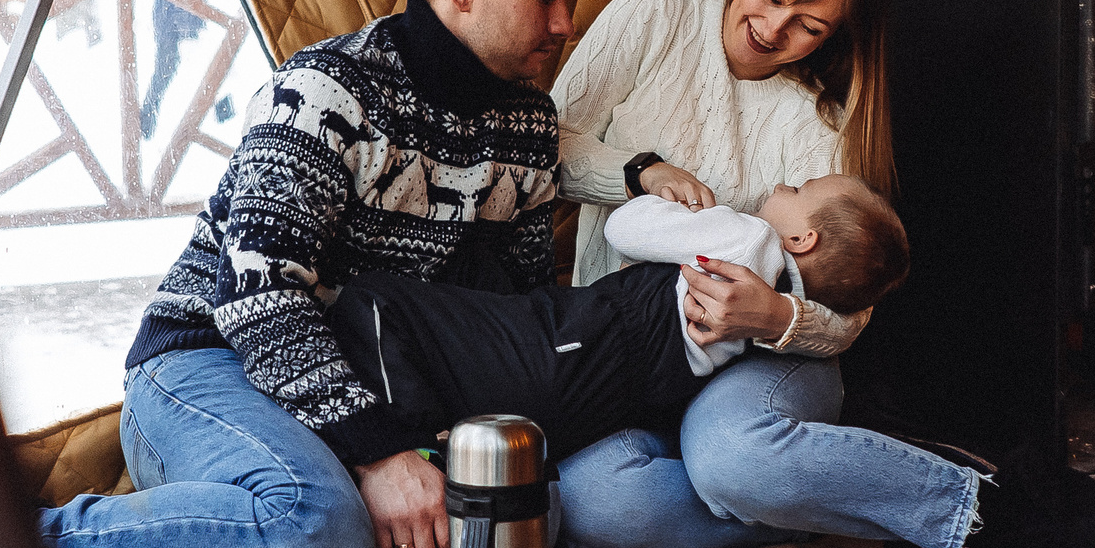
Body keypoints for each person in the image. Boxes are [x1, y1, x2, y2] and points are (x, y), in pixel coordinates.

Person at [43, 0, 576, 548]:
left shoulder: (530, 127)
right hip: (205, 359)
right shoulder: (327, 91)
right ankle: (40, 543)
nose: (565, 24)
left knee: (518, 524)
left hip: (386, 387)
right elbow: (259, 300)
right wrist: (380, 456)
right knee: (315, 531)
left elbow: (514, 316)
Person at [550, 0, 1095, 548]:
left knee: (734, 461)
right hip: (622, 350)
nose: (774, 29)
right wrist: (640, 172)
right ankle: (859, 504)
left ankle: (989, 512)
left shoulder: (818, 122)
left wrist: (775, 314)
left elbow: (850, 316)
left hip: (759, 367)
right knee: (602, 507)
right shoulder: (661, 8)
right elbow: (547, 147)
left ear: (837, 32)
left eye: (809, 25)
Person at [324, 177, 908, 462]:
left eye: (801, 188)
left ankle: (409, 441)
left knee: (377, 302)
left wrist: (673, 205)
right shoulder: (770, 328)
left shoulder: (749, 237)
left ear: (802, 237)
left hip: (581, 338)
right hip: (604, 405)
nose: (782, 184)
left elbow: (621, 229)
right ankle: (442, 441)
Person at [138, 0, 215, 139]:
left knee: (168, 67)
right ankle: (152, 119)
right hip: (177, 16)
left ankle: (149, 116)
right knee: (199, 67)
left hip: (169, 14)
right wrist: (188, 20)